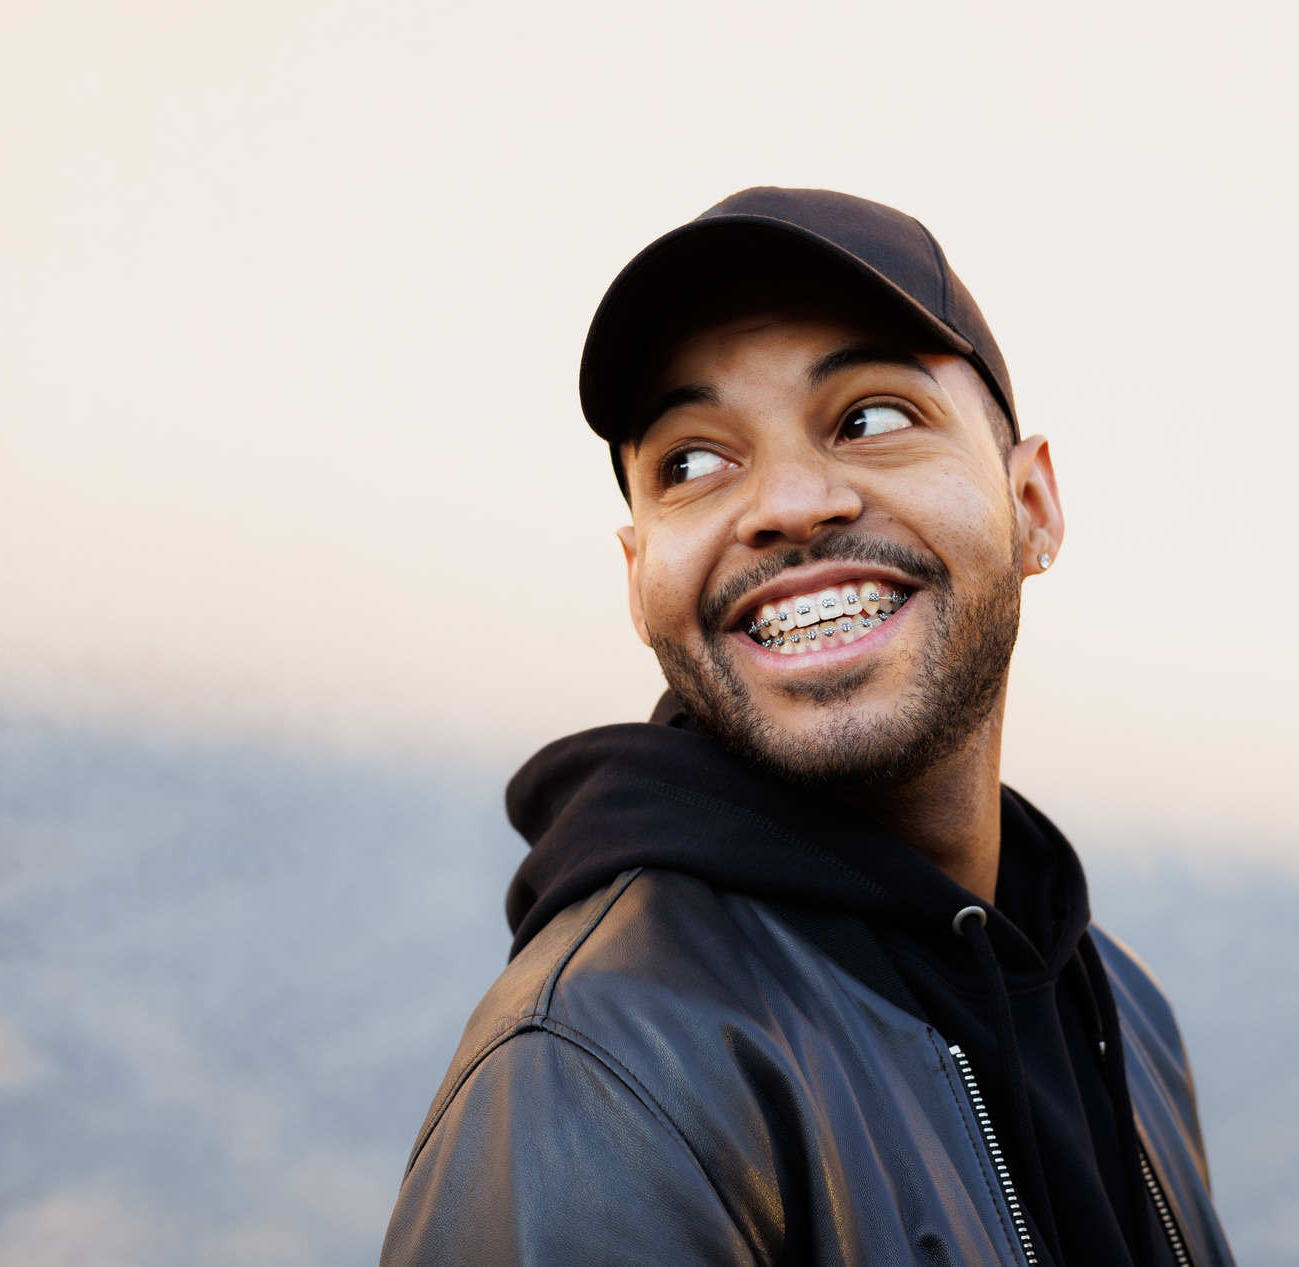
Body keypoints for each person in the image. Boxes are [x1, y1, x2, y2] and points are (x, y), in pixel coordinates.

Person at [380, 187, 1235, 1267]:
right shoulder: (601, 1069)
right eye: (691, 461)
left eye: (871, 418)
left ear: (1032, 506)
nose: (788, 500)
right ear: (639, 578)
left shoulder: (1120, 1010)